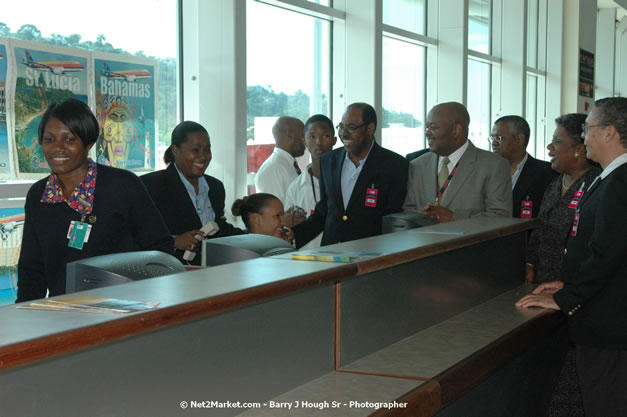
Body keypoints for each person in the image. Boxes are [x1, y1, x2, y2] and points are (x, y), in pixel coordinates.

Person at [516, 97, 627, 417]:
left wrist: (566, 297)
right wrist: (568, 281)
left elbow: (608, 254)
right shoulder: (609, 177)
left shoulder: (619, 182)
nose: (585, 136)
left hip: (611, 327)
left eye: (588, 128)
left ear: (609, 133)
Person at [16, 98, 173, 302]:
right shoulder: (39, 195)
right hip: (61, 314)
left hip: (124, 311)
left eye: (70, 140)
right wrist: (24, 317)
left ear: (88, 143)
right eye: (49, 139)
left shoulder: (122, 186)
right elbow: (31, 269)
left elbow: (160, 250)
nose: (58, 148)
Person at [293, 103, 408, 248]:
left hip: (371, 256)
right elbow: (323, 212)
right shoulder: (328, 161)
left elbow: (393, 219)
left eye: (351, 128)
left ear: (370, 128)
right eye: (341, 127)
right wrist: (293, 235)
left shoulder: (394, 165)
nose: (344, 133)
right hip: (331, 254)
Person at [141, 121, 244, 264]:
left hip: (212, 272)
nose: (203, 156)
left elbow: (220, 230)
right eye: (196, 150)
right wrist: (174, 241)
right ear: (175, 150)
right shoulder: (151, 186)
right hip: (169, 274)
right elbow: (136, 235)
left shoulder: (215, 187)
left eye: (207, 150)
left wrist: (259, 235)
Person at [403, 102, 512, 222]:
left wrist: (454, 218)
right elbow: (409, 210)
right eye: (427, 127)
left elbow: (500, 217)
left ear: (456, 129)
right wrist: (423, 216)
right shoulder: (417, 165)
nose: (427, 133)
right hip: (425, 240)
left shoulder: (494, 165)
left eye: (433, 127)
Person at [525, 114, 601, 283]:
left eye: (558, 142)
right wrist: (529, 263)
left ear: (579, 149)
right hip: (542, 280)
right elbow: (540, 227)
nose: (549, 146)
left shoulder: (597, 184)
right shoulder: (555, 182)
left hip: (575, 285)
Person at [284, 115, 337, 249]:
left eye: (325, 136)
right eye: (312, 137)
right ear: (304, 141)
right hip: (305, 259)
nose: (318, 142)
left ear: (334, 140)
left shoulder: (343, 179)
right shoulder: (295, 187)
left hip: (339, 256)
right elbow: (287, 227)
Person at [491, 115, 557, 218]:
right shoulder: (486, 170)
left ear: (519, 139)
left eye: (499, 138)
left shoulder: (547, 173)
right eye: (492, 137)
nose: (494, 143)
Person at [254, 116, 306, 205]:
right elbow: (274, 213)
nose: (305, 141)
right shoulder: (273, 168)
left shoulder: (286, 164)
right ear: (290, 135)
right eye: (302, 136)